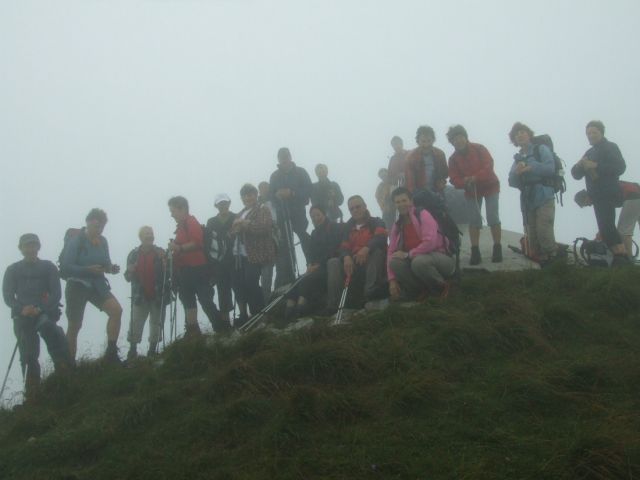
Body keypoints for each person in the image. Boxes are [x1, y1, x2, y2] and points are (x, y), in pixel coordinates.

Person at [3, 234, 72, 397]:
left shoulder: (48, 267)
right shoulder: (12, 270)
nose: (30, 249)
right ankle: (33, 392)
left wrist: (40, 308)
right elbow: (7, 296)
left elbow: (56, 293)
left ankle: (65, 377)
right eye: (27, 246)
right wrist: (22, 309)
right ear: (21, 248)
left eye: (33, 245)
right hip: (22, 316)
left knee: (54, 335)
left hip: (44, 312)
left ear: (38, 247)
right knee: (28, 353)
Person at [60, 208, 123, 363]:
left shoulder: (103, 241)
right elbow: (66, 267)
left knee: (116, 311)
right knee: (75, 325)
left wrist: (111, 268)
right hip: (77, 286)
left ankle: (111, 352)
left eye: (102, 226)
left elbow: (106, 262)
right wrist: (86, 270)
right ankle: (69, 365)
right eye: (96, 226)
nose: (99, 229)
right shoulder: (76, 241)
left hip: (97, 284)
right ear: (88, 222)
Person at [168, 196, 229, 337]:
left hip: (198, 268)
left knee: (204, 299)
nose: (171, 214)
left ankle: (221, 329)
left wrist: (178, 248)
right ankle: (193, 331)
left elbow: (197, 243)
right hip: (186, 270)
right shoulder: (181, 227)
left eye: (173, 211)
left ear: (182, 209)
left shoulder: (191, 222)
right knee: (188, 300)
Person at [571, 120, 629, 266]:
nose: (591, 135)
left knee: (607, 226)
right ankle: (618, 257)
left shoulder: (610, 147)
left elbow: (620, 167)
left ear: (602, 133)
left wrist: (596, 165)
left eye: (594, 132)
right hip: (596, 195)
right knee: (604, 226)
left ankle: (621, 256)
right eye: (588, 133)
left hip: (608, 192)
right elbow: (575, 174)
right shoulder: (589, 152)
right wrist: (579, 165)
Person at [446, 125, 502, 264]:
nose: (458, 141)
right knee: (474, 220)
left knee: (492, 216)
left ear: (465, 137)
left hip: (490, 186)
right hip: (471, 190)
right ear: (452, 142)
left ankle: (497, 248)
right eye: (455, 139)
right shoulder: (453, 159)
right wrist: (464, 182)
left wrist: (475, 177)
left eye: (460, 137)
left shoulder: (479, 148)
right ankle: (475, 251)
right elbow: (453, 178)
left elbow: (488, 165)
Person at [387, 188, 455, 301]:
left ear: (411, 201)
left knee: (418, 261)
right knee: (394, 262)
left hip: (442, 260)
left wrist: (408, 254)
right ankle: (420, 290)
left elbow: (430, 243)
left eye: (404, 200)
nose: (401, 204)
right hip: (417, 260)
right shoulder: (398, 225)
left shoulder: (423, 214)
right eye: (397, 202)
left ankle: (441, 287)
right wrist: (392, 280)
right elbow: (391, 252)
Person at [326, 195, 388, 313]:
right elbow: (344, 247)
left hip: (371, 259)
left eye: (358, 207)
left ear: (365, 206)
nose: (355, 210)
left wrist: (366, 248)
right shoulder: (347, 227)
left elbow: (380, 238)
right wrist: (346, 257)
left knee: (377, 252)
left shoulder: (377, 222)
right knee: (333, 262)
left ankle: (370, 293)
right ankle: (334, 304)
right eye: (351, 209)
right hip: (353, 262)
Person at [507, 123, 558, 264]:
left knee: (544, 230)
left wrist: (530, 168)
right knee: (532, 234)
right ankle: (543, 263)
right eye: (516, 134)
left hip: (544, 194)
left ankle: (552, 261)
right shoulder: (517, 158)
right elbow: (511, 181)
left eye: (522, 132)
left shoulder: (540, 149)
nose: (519, 135)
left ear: (529, 135)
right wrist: (517, 174)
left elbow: (550, 168)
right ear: (514, 141)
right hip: (528, 199)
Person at [284, 205, 343, 321]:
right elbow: (311, 252)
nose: (316, 218)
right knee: (296, 282)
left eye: (318, 215)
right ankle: (289, 308)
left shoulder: (334, 227)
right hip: (316, 266)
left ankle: (300, 308)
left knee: (308, 279)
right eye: (313, 216)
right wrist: (310, 264)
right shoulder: (314, 233)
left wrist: (318, 264)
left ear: (324, 214)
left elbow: (334, 248)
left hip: (329, 264)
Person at [230, 184, 276, 326]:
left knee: (252, 282)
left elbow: (264, 227)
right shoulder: (240, 213)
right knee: (244, 284)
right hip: (241, 255)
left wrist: (245, 224)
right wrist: (234, 230)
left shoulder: (263, 209)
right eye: (245, 196)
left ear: (256, 195)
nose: (248, 198)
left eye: (250, 195)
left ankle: (260, 312)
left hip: (258, 252)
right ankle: (254, 314)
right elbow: (232, 233)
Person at [269, 147, 312, 287]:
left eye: (286, 156)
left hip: (298, 212)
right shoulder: (274, 176)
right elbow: (271, 196)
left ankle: (311, 265)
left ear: (290, 156)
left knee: (304, 237)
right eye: (281, 157)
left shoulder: (301, 172)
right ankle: (288, 275)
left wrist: (292, 193)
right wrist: (277, 196)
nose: (284, 159)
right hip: (282, 214)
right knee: (284, 244)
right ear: (278, 159)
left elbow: (308, 191)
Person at [124, 226, 167, 360]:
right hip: (140, 296)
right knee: (136, 322)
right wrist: (130, 271)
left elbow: (169, 273)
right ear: (141, 237)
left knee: (156, 323)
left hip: (158, 294)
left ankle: (152, 351)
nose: (150, 236)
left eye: (151, 233)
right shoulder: (133, 254)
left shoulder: (161, 252)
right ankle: (133, 351)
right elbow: (127, 277)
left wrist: (167, 263)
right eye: (147, 234)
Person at [575, 181, 639, 258]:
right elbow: (607, 220)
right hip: (636, 192)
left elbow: (607, 221)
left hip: (632, 196)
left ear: (586, 197)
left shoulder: (598, 197)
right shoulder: (598, 191)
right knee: (624, 230)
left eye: (585, 203)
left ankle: (629, 260)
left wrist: (600, 234)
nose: (589, 205)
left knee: (624, 231)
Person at [205, 194, 237, 325]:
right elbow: (208, 241)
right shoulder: (211, 221)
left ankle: (243, 315)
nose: (223, 205)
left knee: (238, 287)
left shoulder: (237, 217)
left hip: (235, 257)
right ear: (216, 206)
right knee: (223, 290)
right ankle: (225, 321)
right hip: (218, 261)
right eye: (220, 204)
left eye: (225, 203)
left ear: (229, 203)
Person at [405, 125, 448, 194]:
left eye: (429, 141)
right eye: (423, 141)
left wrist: (441, 182)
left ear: (433, 140)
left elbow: (445, 173)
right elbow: (410, 182)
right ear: (418, 141)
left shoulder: (440, 154)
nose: (426, 145)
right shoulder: (411, 157)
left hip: (437, 190)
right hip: (419, 192)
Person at [258, 181, 277, 301]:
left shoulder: (274, 201)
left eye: (266, 188)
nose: (264, 190)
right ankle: (266, 298)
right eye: (262, 188)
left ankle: (270, 295)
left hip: (275, 234)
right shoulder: (257, 204)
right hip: (261, 240)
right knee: (265, 271)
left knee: (273, 265)